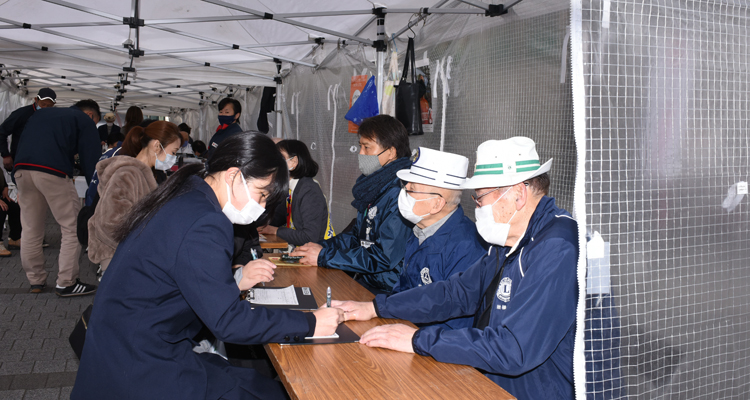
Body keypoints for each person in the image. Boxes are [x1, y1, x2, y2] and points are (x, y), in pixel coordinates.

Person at [71, 133, 345, 399]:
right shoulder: (206, 221)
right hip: (140, 363)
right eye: (261, 194)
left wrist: (234, 281)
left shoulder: (188, 194)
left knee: (249, 382)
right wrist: (311, 323)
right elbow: (229, 321)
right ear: (233, 175)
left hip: (126, 345)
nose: (261, 208)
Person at [333, 137, 579, 399]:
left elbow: (514, 349)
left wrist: (418, 340)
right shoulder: (508, 238)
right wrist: (377, 307)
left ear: (518, 194)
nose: (478, 205)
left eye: (481, 196)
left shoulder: (556, 247)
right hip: (494, 381)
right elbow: (457, 293)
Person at [292, 115, 413, 294]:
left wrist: (324, 256)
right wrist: (321, 247)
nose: (360, 153)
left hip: (389, 289)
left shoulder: (399, 193)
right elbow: (358, 236)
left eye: (367, 147)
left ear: (391, 152)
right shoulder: (374, 187)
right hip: (368, 280)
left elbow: (384, 257)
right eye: (360, 146)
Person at [390, 147, 487, 329]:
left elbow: (456, 323)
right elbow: (403, 287)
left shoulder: (467, 247)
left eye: (413, 189)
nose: (405, 189)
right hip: (408, 328)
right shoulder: (420, 229)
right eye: (407, 184)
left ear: (437, 204)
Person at [13, 99, 102, 296]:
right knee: (72, 227)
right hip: (52, 171)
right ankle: (67, 282)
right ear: (90, 115)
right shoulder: (83, 120)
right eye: (95, 122)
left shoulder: (41, 114)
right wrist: (95, 190)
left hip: (22, 170)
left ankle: (35, 280)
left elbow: (20, 141)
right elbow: (91, 158)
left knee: (30, 228)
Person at [88, 121, 183, 276]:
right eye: (173, 152)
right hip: (119, 257)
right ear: (157, 146)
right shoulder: (127, 174)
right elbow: (110, 222)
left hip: (128, 255)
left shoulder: (144, 174)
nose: (173, 158)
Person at [259, 139, 335, 246]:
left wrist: (275, 231)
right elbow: (277, 218)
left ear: (294, 162)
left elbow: (309, 237)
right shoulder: (291, 188)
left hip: (318, 255)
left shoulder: (309, 191)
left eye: (279, 157)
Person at [0, 88, 56, 172]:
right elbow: (1, 132)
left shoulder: (53, 117)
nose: (45, 108)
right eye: (43, 104)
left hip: (43, 162)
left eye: (49, 106)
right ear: (36, 100)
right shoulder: (21, 114)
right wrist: (6, 155)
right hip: (21, 161)